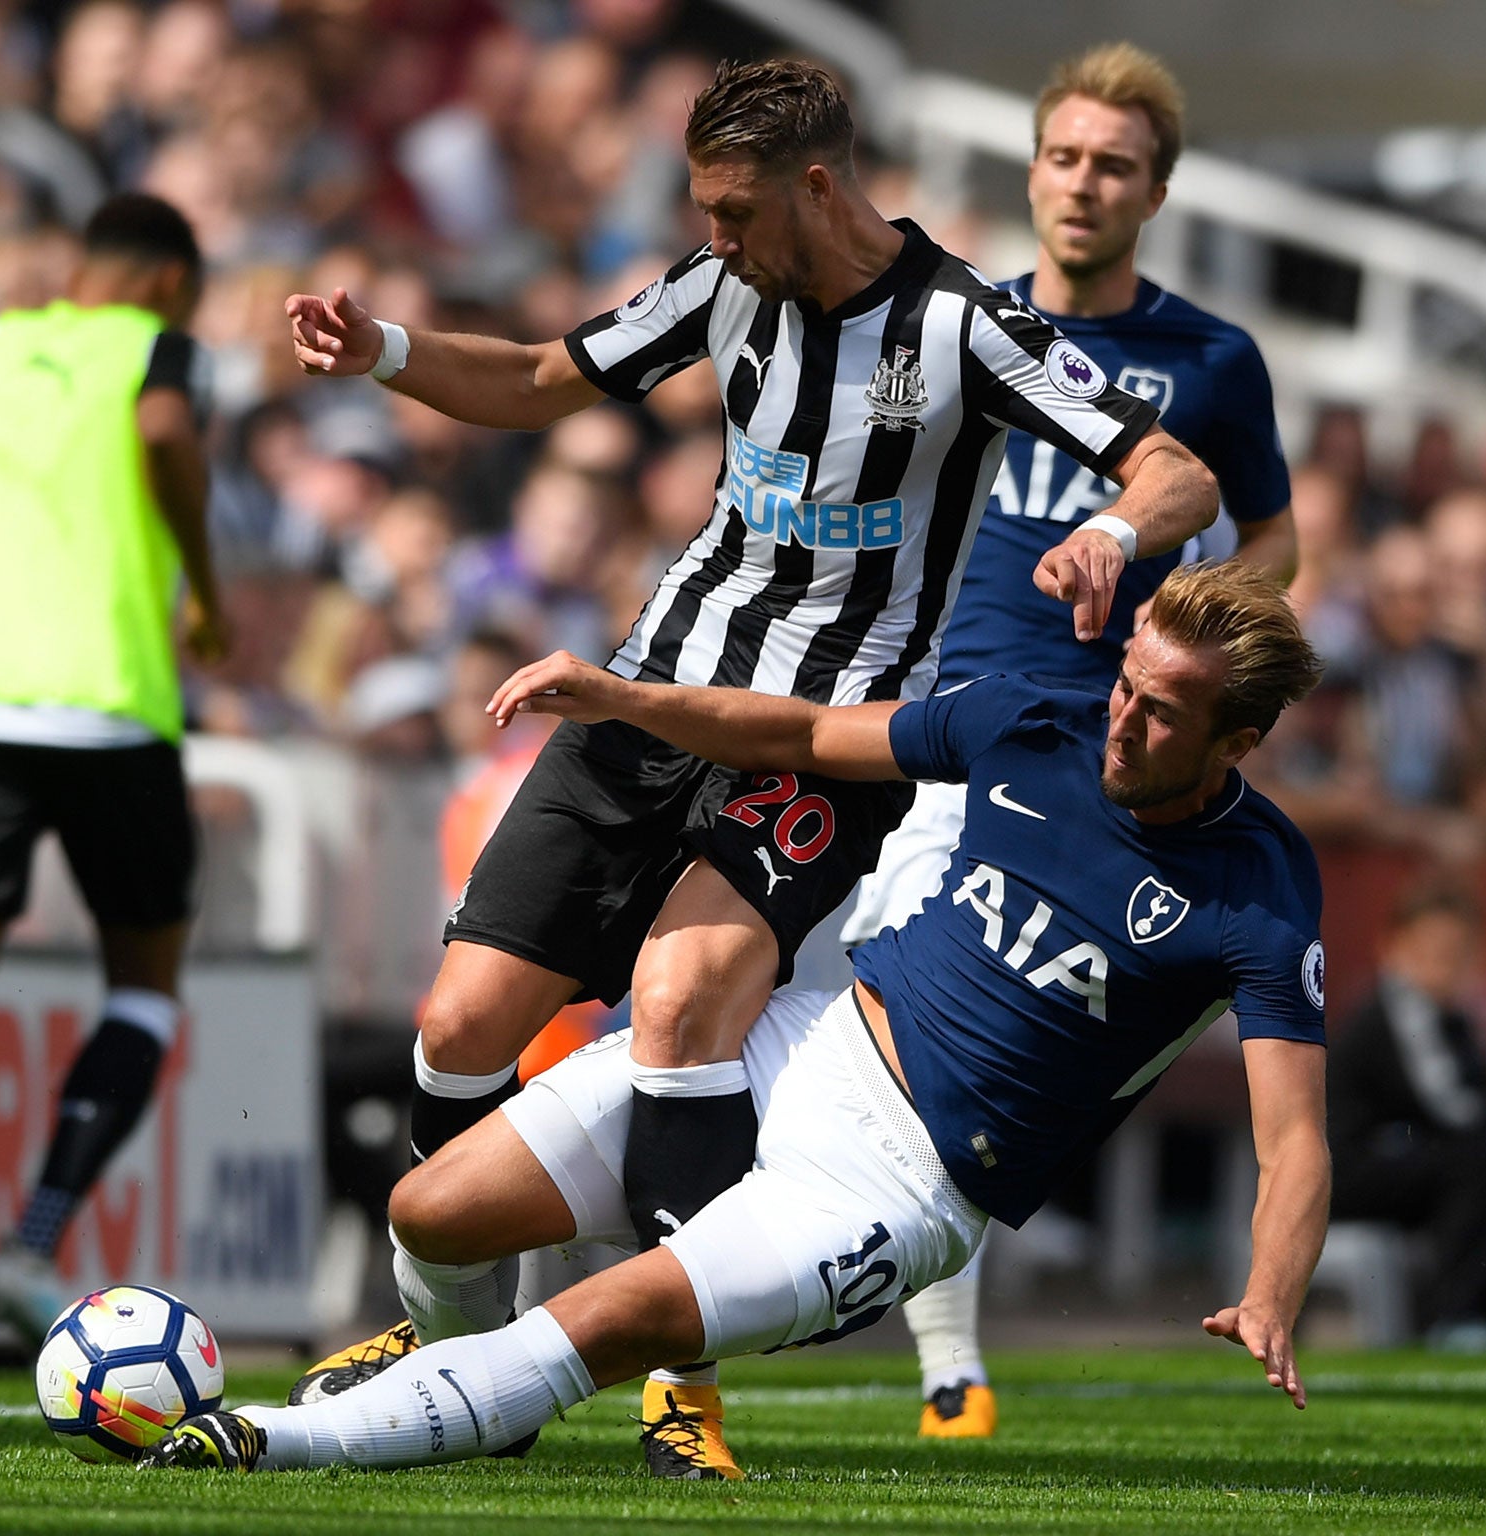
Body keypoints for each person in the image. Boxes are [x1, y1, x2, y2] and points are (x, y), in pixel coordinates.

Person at [283, 58, 1220, 1474]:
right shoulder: (723, 287)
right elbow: (544, 378)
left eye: (732, 206)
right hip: (648, 700)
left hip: (827, 741)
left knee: (686, 990)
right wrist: (391, 353)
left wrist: (1112, 533)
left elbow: (1176, 471)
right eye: (703, 207)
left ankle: (681, 1391)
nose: (712, 232)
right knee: (460, 1025)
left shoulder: (963, 323)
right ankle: (450, 1353)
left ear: (820, 186)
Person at [139, 560, 1329, 1476]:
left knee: (602, 1318)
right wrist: (625, 699)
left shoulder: (1260, 893)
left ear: (1237, 740)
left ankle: (269, 1439)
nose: (1122, 718)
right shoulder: (1035, 722)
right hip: (805, 1041)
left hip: (901, 1187)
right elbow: (810, 737)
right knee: (431, 1211)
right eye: (1125, 683)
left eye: (1163, 712)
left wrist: (1271, 1291)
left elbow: (1291, 1141)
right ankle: (464, 1406)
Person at [837, 42, 1298, 1437]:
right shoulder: (960, 325)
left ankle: (934, 1355)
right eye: (1064, 157)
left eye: (1114, 165)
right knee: (877, 1029)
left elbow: (1269, 535)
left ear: (1156, 192)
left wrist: (1211, 624)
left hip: (1099, 761)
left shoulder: (1210, 362)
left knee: (989, 1059)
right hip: (944, 719)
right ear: (1031, 171)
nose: (1083, 184)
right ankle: (943, 1366)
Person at [0, 192, 225, 1379]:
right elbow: (167, 434)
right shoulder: (158, 349)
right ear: (170, 282)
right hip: (110, 700)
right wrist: (205, 585)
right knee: (146, 981)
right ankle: (28, 1248)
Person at [1326, 885, 1486, 1345]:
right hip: (1345, 1171)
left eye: (1459, 954)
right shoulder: (1400, 1013)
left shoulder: (1452, 1020)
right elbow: (1451, 1107)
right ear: (1393, 950)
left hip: (1402, 1159)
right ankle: (1455, 1317)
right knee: (1482, 1155)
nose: (1447, 967)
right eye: (1435, 952)